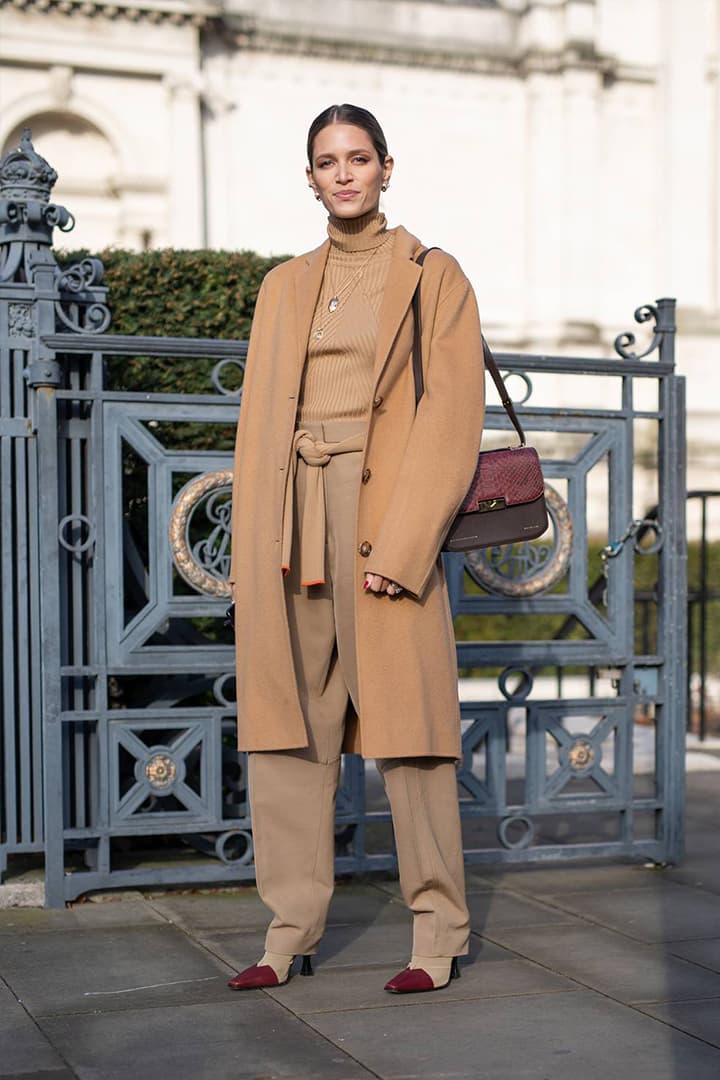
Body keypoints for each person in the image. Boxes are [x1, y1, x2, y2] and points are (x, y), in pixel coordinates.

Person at [227, 103, 485, 994]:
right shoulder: (283, 286)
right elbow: (259, 422)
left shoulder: (433, 275)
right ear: (310, 177)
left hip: (386, 510)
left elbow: (451, 422)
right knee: (286, 727)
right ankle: (287, 930)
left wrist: (406, 547)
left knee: (408, 733)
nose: (344, 174)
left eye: (359, 158)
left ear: (386, 168)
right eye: (327, 161)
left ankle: (437, 934)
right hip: (291, 509)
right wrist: (254, 547)